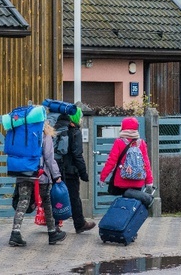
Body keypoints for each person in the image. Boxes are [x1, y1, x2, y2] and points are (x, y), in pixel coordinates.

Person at [9, 120, 67, 247]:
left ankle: (15, 233)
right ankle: (52, 233)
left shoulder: (21, 132)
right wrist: (56, 175)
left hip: (23, 173)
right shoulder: (43, 134)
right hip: (41, 175)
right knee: (47, 203)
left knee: (23, 202)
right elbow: (49, 157)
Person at [53, 106, 96, 234]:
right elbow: (78, 155)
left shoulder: (56, 128)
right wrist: (83, 173)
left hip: (56, 169)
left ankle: (54, 225)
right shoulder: (75, 131)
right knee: (74, 197)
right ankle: (80, 223)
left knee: (55, 196)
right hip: (70, 171)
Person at [98, 117, 154, 196]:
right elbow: (146, 163)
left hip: (121, 180)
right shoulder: (141, 143)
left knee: (123, 204)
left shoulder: (119, 142)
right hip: (138, 180)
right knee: (133, 204)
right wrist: (149, 181)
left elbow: (111, 162)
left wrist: (102, 177)